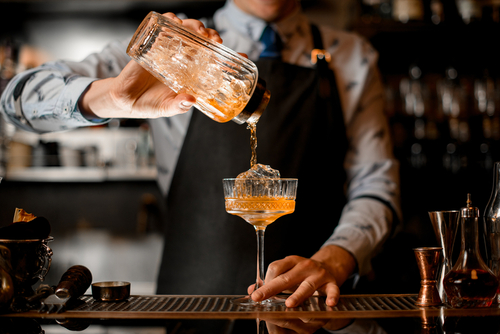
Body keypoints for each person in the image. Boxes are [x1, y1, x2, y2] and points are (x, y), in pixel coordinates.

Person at [1, 0, 400, 310]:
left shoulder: (352, 57)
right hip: (192, 306)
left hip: (312, 309)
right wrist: (112, 97)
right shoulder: (172, 47)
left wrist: (337, 258)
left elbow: (377, 188)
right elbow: (15, 101)